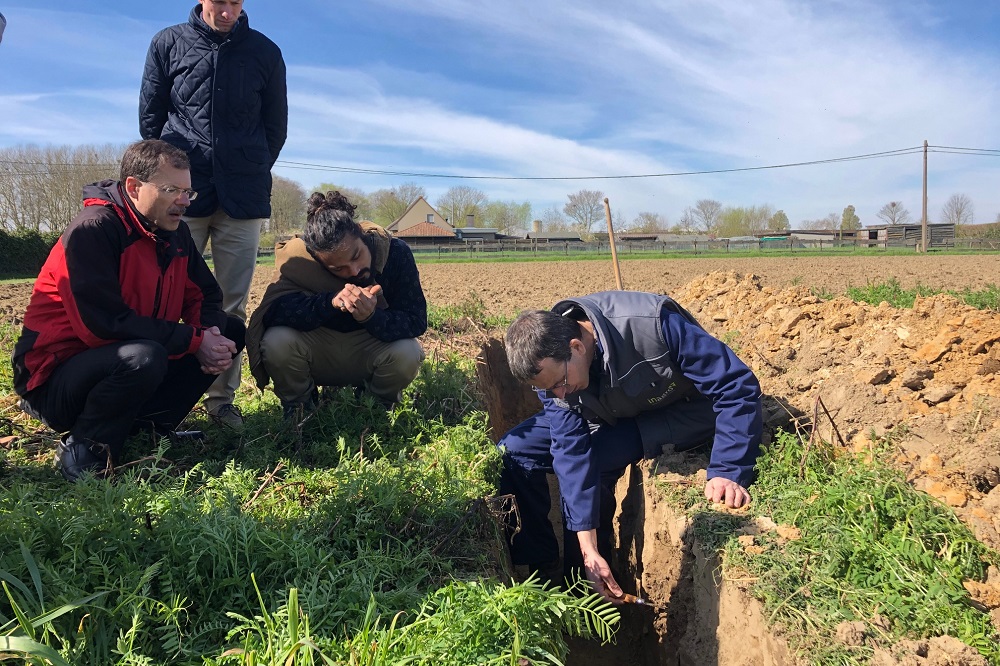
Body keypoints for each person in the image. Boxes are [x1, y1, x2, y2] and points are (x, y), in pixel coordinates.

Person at [500, 291, 763, 602]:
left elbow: (735, 385)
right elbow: (569, 451)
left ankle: (586, 591)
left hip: (674, 410)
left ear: (576, 346)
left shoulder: (653, 325)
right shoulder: (556, 378)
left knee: (597, 462)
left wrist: (729, 469)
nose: (558, 393)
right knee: (513, 449)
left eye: (560, 383)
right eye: (547, 389)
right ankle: (544, 565)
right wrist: (588, 547)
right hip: (606, 408)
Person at [11, 139, 245, 482]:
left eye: (188, 192)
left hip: (125, 361)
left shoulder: (175, 233)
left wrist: (208, 333)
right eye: (171, 190)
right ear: (134, 188)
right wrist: (195, 342)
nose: (183, 201)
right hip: (53, 380)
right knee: (142, 356)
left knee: (230, 329)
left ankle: (148, 428)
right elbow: (102, 325)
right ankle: (86, 447)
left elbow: (205, 296)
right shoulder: (94, 231)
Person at [139, 0, 288, 431]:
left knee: (230, 303)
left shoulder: (266, 52)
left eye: (236, 3)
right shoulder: (167, 43)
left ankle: (221, 401)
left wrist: (251, 164)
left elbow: (275, 126)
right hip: (181, 194)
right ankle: (157, 399)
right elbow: (151, 117)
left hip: (243, 195)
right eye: (220, 2)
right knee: (165, 297)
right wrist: (168, 177)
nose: (228, 12)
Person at [246, 191, 427, 418]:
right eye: (336, 269)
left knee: (407, 351)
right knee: (276, 341)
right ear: (317, 259)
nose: (353, 271)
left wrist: (371, 316)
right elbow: (274, 313)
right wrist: (329, 302)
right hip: (319, 350)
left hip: (371, 348)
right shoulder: (299, 261)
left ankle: (374, 409)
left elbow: (416, 320)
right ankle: (301, 408)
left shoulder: (395, 253)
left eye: (356, 255)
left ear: (361, 234)